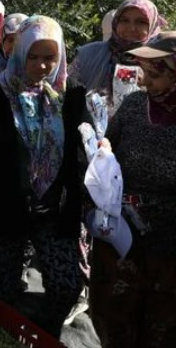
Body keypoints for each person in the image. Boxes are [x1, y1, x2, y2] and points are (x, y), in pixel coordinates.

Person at [0, 16, 86, 337]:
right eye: (34, 56)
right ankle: (2, 337)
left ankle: (39, 331)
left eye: (50, 58)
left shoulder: (70, 98)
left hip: (53, 210)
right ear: (19, 54)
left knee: (67, 283)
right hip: (3, 205)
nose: (42, 66)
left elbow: (86, 147)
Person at [90, 32, 176, 347]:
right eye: (142, 72)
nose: (143, 83)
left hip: (168, 247)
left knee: (161, 327)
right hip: (122, 234)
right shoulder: (135, 105)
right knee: (114, 317)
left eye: (154, 74)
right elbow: (110, 142)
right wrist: (102, 150)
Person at [69, 0, 161, 116]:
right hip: (89, 129)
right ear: (116, 22)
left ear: (152, 26)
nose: (132, 28)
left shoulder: (161, 61)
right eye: (124, 20)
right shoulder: (89, 54)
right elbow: (68, 91)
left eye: (141, 22)